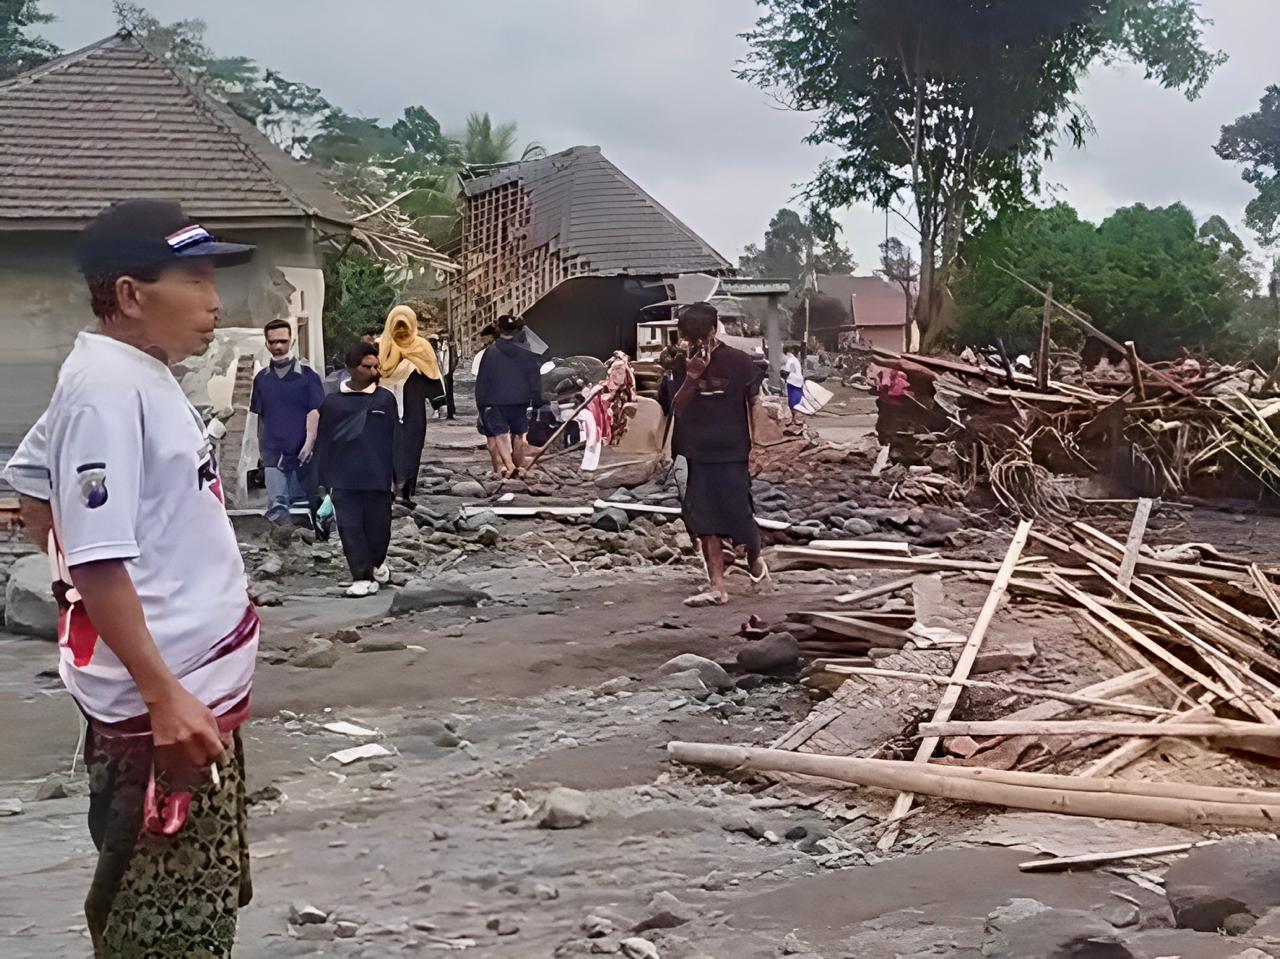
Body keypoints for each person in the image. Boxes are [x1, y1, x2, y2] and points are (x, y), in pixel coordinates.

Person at [4, 199, 258, 955]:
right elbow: (97, 556)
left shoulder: (128, 373)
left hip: (187, 696)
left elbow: (30, 475)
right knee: (168, 922)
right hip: (169, 714)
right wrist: (156, 689)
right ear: (128, 294)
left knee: (174, 892)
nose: (215, 301)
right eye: (195, 278)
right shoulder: (107, 392)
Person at [669, 301, 767, 606]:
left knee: (740, 516)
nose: (695, 344)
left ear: (714, 330)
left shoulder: (739, 362)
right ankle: (717, 586)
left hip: (733, 450)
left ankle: (754, 559)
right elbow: (676, 408)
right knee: (704, 521)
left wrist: (759, 447)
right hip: (696, 452)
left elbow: (754, 406)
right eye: (689, 338)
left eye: (700, 336)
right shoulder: (679, 363)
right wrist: (692, 377)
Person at [316, 342, 399, 598]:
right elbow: (324, 442)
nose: (373, 371)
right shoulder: (333, 403)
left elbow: (396, 439)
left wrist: (400, 477)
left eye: (376, 366)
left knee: (379, 530)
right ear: (351, 368)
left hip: (378, 477)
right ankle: (360, 576)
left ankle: (375, 565)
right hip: (344, 479)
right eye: (366, 366)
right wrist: (323, 480)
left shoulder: (385, 399)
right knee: (350, 529)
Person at [249, 318, 324, 531]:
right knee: (277, 508)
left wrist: (310, 442)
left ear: (291, 341)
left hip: (302, 452)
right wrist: (261, 451)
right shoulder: (262, 379)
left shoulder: (308, 377)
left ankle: (309, 556)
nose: (278, 346)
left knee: (303, 506)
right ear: (266, 344)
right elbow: (260, 417)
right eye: (273, 342)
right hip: (273, 452)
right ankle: (281, 557)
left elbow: (314, 411)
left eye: (282, 341)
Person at [378, 306, 444, 507]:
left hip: (413, 407)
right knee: (386, 447)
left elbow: (432, 374)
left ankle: (404, 491)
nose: (401, 331)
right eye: (397, 326)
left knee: (411, 446)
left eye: (404, 325)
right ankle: (386, 490)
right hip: (385, 405)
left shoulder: (422, 346)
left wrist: (438, 402)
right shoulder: (382, 346)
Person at [475, 313, 544, 478]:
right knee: (519, 434)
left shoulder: (490, 353)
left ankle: (509, 464)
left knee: (500, 433)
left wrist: (481, 403)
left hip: (496, 400)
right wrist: (536, 400)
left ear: (499, 329)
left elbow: (482, 381)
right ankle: (518, 466)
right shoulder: (526, 352)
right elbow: (534, 378)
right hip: (519, 400)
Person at [431, 331, 458, 420]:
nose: (432, 343)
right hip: (436, 374)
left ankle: (446, 410)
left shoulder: (443, 348)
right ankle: (437, 411)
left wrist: (449, 371)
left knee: (444, 392)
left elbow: (447, 361)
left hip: (444, 373)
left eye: (433, 341)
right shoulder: (433, 351)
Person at [781, 344, 805, 425]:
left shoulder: (790, 360)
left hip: (793, 382)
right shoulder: (794, 359)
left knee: (792, 402)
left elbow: (788, 371)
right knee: (797, 400)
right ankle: (797, 419)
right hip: (798, 381)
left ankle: (795, 420)